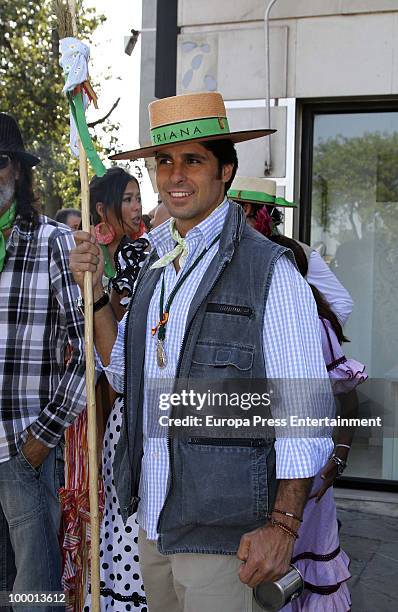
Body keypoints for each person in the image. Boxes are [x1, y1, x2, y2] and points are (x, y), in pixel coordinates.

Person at [70, 91, 334, 612]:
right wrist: (97, 292)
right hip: (155, 522)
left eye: (193, 160)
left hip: (227, 537)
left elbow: (304, 413)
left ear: (225, 170)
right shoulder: (155, 261)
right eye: (164, 162)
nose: (175, 176)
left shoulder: (270, 273)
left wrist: (282, 526)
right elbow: (124, 373)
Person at [0, 113, 86, 610]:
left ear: (18, 171)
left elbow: (87, 355)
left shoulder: (54, 242)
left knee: (35, 595)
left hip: (22, 450)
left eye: (0, 162)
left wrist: (41, 437)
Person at [268, 235, 367, 611]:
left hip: (309, 482)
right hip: (258, 485)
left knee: (307, 572)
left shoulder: (317, 325)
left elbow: (348, 395)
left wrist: (338, 458)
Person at [82, 167, 148, 611]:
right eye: (126, 199)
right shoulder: (83, 253)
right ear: (102, 208)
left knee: (131, 517)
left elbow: (126, 350)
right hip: (89, 403)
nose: (136, 207)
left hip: (129, 402)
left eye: (137, 198)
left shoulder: (144, 257)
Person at [229, 176, 354, 325]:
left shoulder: (300, 253)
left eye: (226, 207)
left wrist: (308, 338)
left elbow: (342, 303)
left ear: (245, 209)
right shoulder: (224, 251)